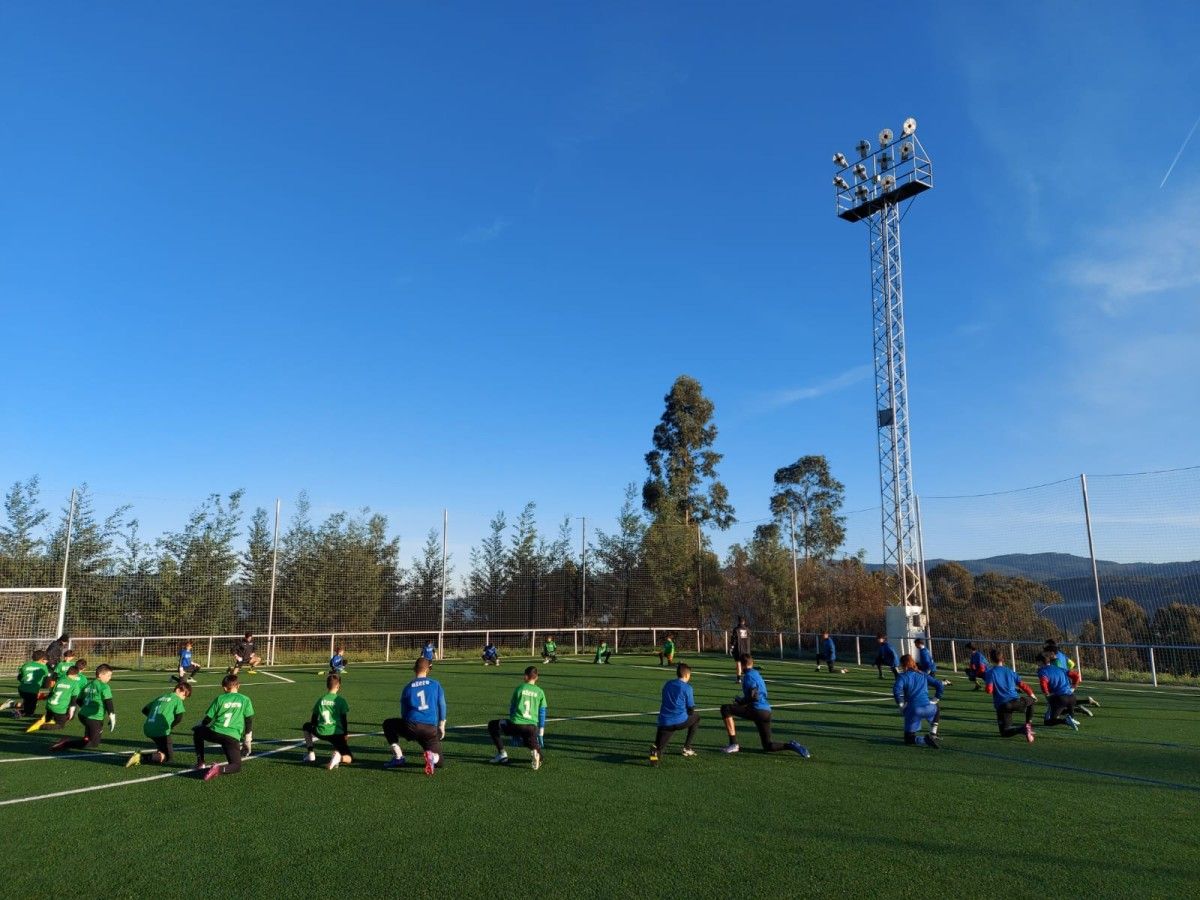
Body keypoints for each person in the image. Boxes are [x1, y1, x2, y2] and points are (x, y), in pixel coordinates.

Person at [720, 655, 809, 758]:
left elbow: (754, 696)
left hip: (757, 710)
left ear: (742, 665)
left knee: (725, 709)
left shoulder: (748, 676)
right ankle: (790, 745)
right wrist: (742, 701)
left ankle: (733, 744)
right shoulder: (756, 674)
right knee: (767, 745)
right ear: (752, 663)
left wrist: (741, 701)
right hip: (766, 711)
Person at [383, 657, 446, 775]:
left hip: (411, 726)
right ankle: (433, 757)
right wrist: (442, 725)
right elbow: (442, 704)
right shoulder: (435, 684)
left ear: (414, 669)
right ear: (428, 670)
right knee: (440, 762)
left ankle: (398, 756)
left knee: (388, 724)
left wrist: (409, 730)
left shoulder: (408, 687)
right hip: (430, 730)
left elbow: (404, 712)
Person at [193, 673, 255, 781]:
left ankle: (200, 762)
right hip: (231, 737)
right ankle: (218, 769)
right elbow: (248, 720)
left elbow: (208, 719)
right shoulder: (245, 699)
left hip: (215, 733)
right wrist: (247, 740)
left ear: (225, 688)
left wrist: (200, 725)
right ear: (238, 686)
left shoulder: (220, 698)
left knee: (197, 732)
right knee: (236, 766)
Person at [487, 665, 547, 769]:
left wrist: (513, 730)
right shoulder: (540, 692)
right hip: (532, 728)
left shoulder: (519, 688)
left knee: (492, 725)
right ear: (536, 677)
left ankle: (502, 754)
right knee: (534, 748)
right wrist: (541, 731)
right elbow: (542, 712)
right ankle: (536, 754)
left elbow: (512, 708)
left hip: (516, 724)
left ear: (525, 676)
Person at [49, 664, 115, 752]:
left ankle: (86, 737)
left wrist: (85, 708)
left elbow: (79, 700)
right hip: (94, 717)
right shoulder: (104, 686)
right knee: (94, 743)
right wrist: (112, 717)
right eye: (108, 675)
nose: (110, 678)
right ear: (100, 675)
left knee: (88, 739)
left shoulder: (88, 685)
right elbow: (108, 702)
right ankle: (65, 744)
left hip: (83, 715)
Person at [127, 681, 192, 767]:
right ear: (178, 690)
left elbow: (144, 710)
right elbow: (179, 717)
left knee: (162, 751)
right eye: (184, 695)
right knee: (169, 758)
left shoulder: (161, 697)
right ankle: (141, 757)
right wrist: (170, 726)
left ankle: (145, 756)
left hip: (148, 728)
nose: (184, 698)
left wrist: (154, 719)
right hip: (161, 729)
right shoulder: (177, 699)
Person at [649, 663, 699, 765]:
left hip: (664, 722)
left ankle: (655, 756)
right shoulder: (687, 688)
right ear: (687, 675)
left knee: (658, 747)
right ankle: (687, 747)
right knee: (696, 717)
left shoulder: (668, 684)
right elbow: (691, 709)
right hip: (679, 721)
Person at [982, 649, 1036, 742]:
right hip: (1016, 701)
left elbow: (989, 690)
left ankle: (1023, 729)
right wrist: (1032, 695)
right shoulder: (1010, 671)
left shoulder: (990, 672)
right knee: (1032, 701)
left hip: (1003, 705)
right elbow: (1023, 685)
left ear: (991, 659)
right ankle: (1028, 724)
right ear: (1003, 659)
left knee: (1005, 732)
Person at [893, 654, 944, 747]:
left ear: (903, 665)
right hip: (929, 708)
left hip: (914, 711)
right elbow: (939, 685)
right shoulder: (923, 674)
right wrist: (936, 698)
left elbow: (896, 690)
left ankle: (924, 740)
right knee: (936, 706)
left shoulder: (902, 676)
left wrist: (900, 704)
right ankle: (933, 733)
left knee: (909, 739)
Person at [303, 673, 352, 769]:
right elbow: (343, 720)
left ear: (327, 686)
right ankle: (338, 757)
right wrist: (345, 733)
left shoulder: (321, 700)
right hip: (336, 733)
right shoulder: (341, 700)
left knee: (306, 726)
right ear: (338, 686)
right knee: (349, 757)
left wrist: (315, 728)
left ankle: (311, 753)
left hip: (321, 731)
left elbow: (313, 718)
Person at [25, 662, 87, 733]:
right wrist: (71, 713)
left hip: (49, 705)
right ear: (76, 675)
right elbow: (73, 701)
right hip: (59, 708)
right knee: (60, 725)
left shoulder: (59, 681)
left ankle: (46, 720)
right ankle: (42, 726)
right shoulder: (75, 684)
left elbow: (51, 693)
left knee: (49, 719)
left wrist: (43, 697)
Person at [1037, 651, 1081, 731]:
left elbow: (1043, 683)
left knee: (1048, 722)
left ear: (1040, 662)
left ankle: (1065, 720)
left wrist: (1047, 695)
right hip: (1072, 697)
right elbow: (1076, 676)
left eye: (1038, 663)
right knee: (1066, 710)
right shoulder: (1060, 668)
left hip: (1060, 699)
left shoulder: (1042, 671)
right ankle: (1071, 717)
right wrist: (1074, 686)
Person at [14, 651, 50, 719]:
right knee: (30, 711)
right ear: (41, 659)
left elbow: (19, 676)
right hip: (33, 690)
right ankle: (19, 711)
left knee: (27, 701)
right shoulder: (43, 667)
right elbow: (46, 676)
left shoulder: (26, 664)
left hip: (22, 689)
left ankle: (20, 708)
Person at [730, 617, 751, 681]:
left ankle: (738, 679)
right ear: (744, 622)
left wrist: (732, 647)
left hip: (738, 649)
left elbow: (733, 639)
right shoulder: (747, 629)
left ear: (738, 622)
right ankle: (749, 677)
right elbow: (750, 637)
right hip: (747, 649)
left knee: (738, 663)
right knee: (747, 663)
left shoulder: (736, 629)